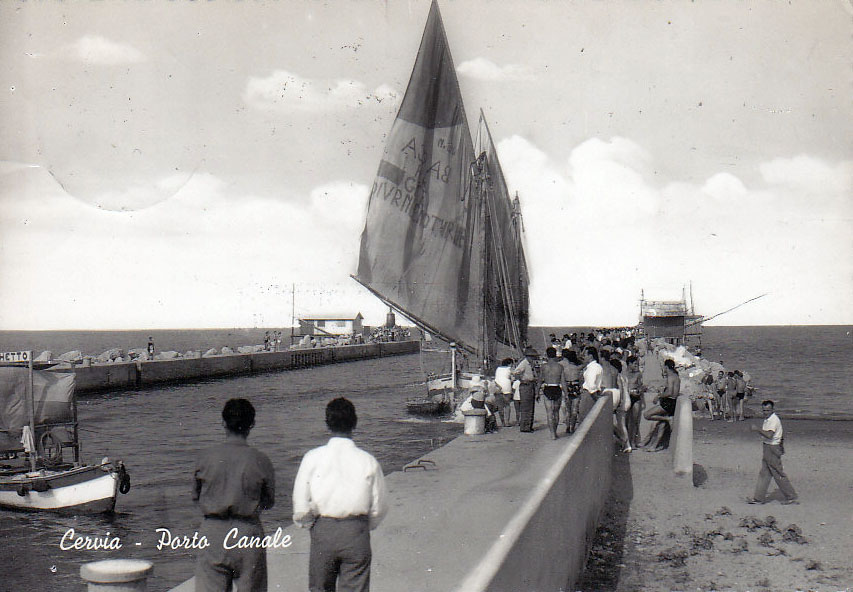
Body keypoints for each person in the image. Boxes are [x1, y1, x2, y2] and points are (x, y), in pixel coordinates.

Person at [293, 398, 388, 592]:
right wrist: (363, 525)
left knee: (319, 587)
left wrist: (311, 524)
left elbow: (301, 507)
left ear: (327, 423)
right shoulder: (368, 461)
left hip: (323, 531)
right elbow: (379, 507)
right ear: (355, 423)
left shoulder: (312, 458)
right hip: (356, 532)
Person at [193, 399, 275, 592]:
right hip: (248, 533)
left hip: (213, 532)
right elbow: (269, 501)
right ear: (251, 424)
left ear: (223, 423)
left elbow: (196, 496)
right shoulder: (261, 460)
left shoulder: (205, 457)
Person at [747, 400, 798, 505]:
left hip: (772, 447)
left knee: (777, 473)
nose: (765, 412)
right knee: (764, 473)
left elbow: (769, 435)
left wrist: (757, 429)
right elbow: (780, 433)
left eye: (768, 410)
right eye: (764, 410)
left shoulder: (773, 420)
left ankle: (791, 496)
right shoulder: (768, 419)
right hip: (768, 447)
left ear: (772, 410)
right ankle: (758, 498)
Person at [643, 359, 680, 451]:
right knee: (661, 426)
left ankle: (667, 419)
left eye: (664, 367)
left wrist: (659, 396)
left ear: (666, 367)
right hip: (672, 403)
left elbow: (670, 392)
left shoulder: (670, 377)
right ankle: (653, 446)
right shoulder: (676, 376)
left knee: (647, 415)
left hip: (668, 402)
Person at [539, 347, 567, 439]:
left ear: (547, 355)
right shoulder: (560, 367)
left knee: (549, 412)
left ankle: (552, 434)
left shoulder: (543, 367)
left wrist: (536, 392)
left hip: (547, 387)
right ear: (555, 355)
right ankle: (555, 431)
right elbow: (563, 381)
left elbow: (539, 381)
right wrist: (566, 394)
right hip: (556, 387)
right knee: (556, 412)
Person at [511, 347, 539, 432]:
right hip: (526, 385)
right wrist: (521, 379)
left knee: (530, 406)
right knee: (526, 407)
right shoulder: (524, 363)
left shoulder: (530, 364)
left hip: (531, 385)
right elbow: (515, 372)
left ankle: (528, 426)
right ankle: (525, 427)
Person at [623, 355, 646, 448]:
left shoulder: (638, 374)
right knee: (626, 420)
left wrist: (639, 391)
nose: (636, 366)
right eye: (635, 364)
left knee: (635, 420)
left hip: (636, 398)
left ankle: (633, 441)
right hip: (627, 397)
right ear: (629, 364)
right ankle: (626, 441)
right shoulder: (624, 374)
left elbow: (641, 385)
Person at [559, 350, 582, 434]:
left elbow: (562, 380)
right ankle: (572, 427)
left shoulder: (563, 368)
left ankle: (568, 426)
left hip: (567, 385)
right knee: (575, 409)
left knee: (568, 409)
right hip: (575, 386)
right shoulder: (577, 368)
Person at [493, 358, 515, 426]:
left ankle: (502, 422)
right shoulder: (509, 369)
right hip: (507, 387)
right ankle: (507, 422)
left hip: (498, 387)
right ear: (509, 364)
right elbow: (513, 377)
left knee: (500, 407)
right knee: (507, 405)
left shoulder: (498, 369)